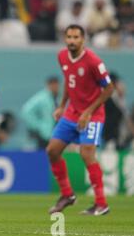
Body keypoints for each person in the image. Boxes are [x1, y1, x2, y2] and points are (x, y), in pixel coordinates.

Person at [47, 24, 114, 216]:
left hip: (93, 115)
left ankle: (101, 204)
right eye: (69, 37)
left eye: (76, 37)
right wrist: (61, 105)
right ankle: (67, 195)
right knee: (52, 151)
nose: (72, 41)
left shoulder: (93, 61)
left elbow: (109, 89)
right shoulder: (61, 56)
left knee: (86, 154)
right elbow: (69, 81)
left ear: (83, 39)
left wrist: (88, 112)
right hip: (72, 112)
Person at [21, 76, 60, 149]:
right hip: (45, 134)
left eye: (56, 85)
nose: (55, 87)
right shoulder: (42, 98)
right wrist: (39, 125)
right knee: (43, 154)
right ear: (48, 85)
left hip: (56, 134)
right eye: (53, 84)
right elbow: (26, 111)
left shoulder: (58, 97)